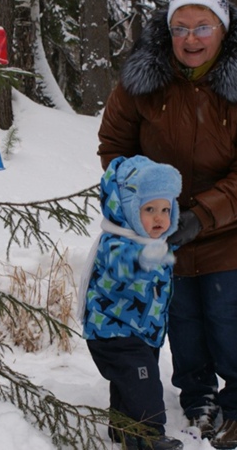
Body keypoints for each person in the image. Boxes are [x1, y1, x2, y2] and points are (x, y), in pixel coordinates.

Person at [98, 0, 237, 448]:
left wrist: (201, 214)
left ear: (222, 29)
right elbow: (115, 145)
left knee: (227, 310)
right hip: (162, 224)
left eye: (203, 27)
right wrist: (142, 204)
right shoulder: (143, 79)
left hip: (234, 224)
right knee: (179, 315)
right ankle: (198, 397)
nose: (191, 39)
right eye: (180, 27)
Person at [80, 155, 184, 450]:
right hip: (114, 332)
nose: (159, 218)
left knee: (129, 383)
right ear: (126, 207)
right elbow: (122, 265)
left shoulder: (154, 241)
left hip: (140, 330)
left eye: (166, 209)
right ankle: (149, 436)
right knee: (144, 382)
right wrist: (144, 258)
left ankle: (122, 429)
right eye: (149, 209)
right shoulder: (117, 243)